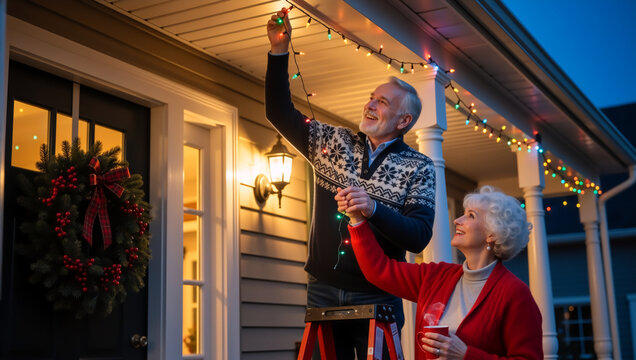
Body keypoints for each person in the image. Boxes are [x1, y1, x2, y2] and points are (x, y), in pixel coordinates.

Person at [266, 7, 436, 358]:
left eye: (382, 102)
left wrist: (373, 208)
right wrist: (279, 51)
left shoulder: (419, 166)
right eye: (371, 97)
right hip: (323, 288)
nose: (370, 104)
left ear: (403, 120)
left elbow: (419, 236)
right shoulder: (334, 141)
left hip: (380, 291)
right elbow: (278, 113)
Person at [342, 186, 543, 359]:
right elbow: (379, 271)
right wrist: (357, 220)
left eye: (471, 215)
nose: (457, 220)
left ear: (492, 234)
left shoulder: (514, 294)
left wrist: (466, 355)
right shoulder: (437, 276)